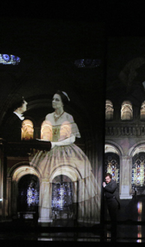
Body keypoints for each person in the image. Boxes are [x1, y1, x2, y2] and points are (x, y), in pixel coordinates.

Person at [30, 90, 100, 223]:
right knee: (46, 178)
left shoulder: (69, 117)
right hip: (50, 150)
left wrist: (55, 143)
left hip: (66, 148)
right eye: (52, 99)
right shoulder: (48, 117)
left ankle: (84, 216)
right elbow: (46, 134)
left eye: (56, 99)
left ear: (62, 102)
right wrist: (44, 142)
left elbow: (72, 138)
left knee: (79, 174)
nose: (53, 102)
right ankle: (45, 217)